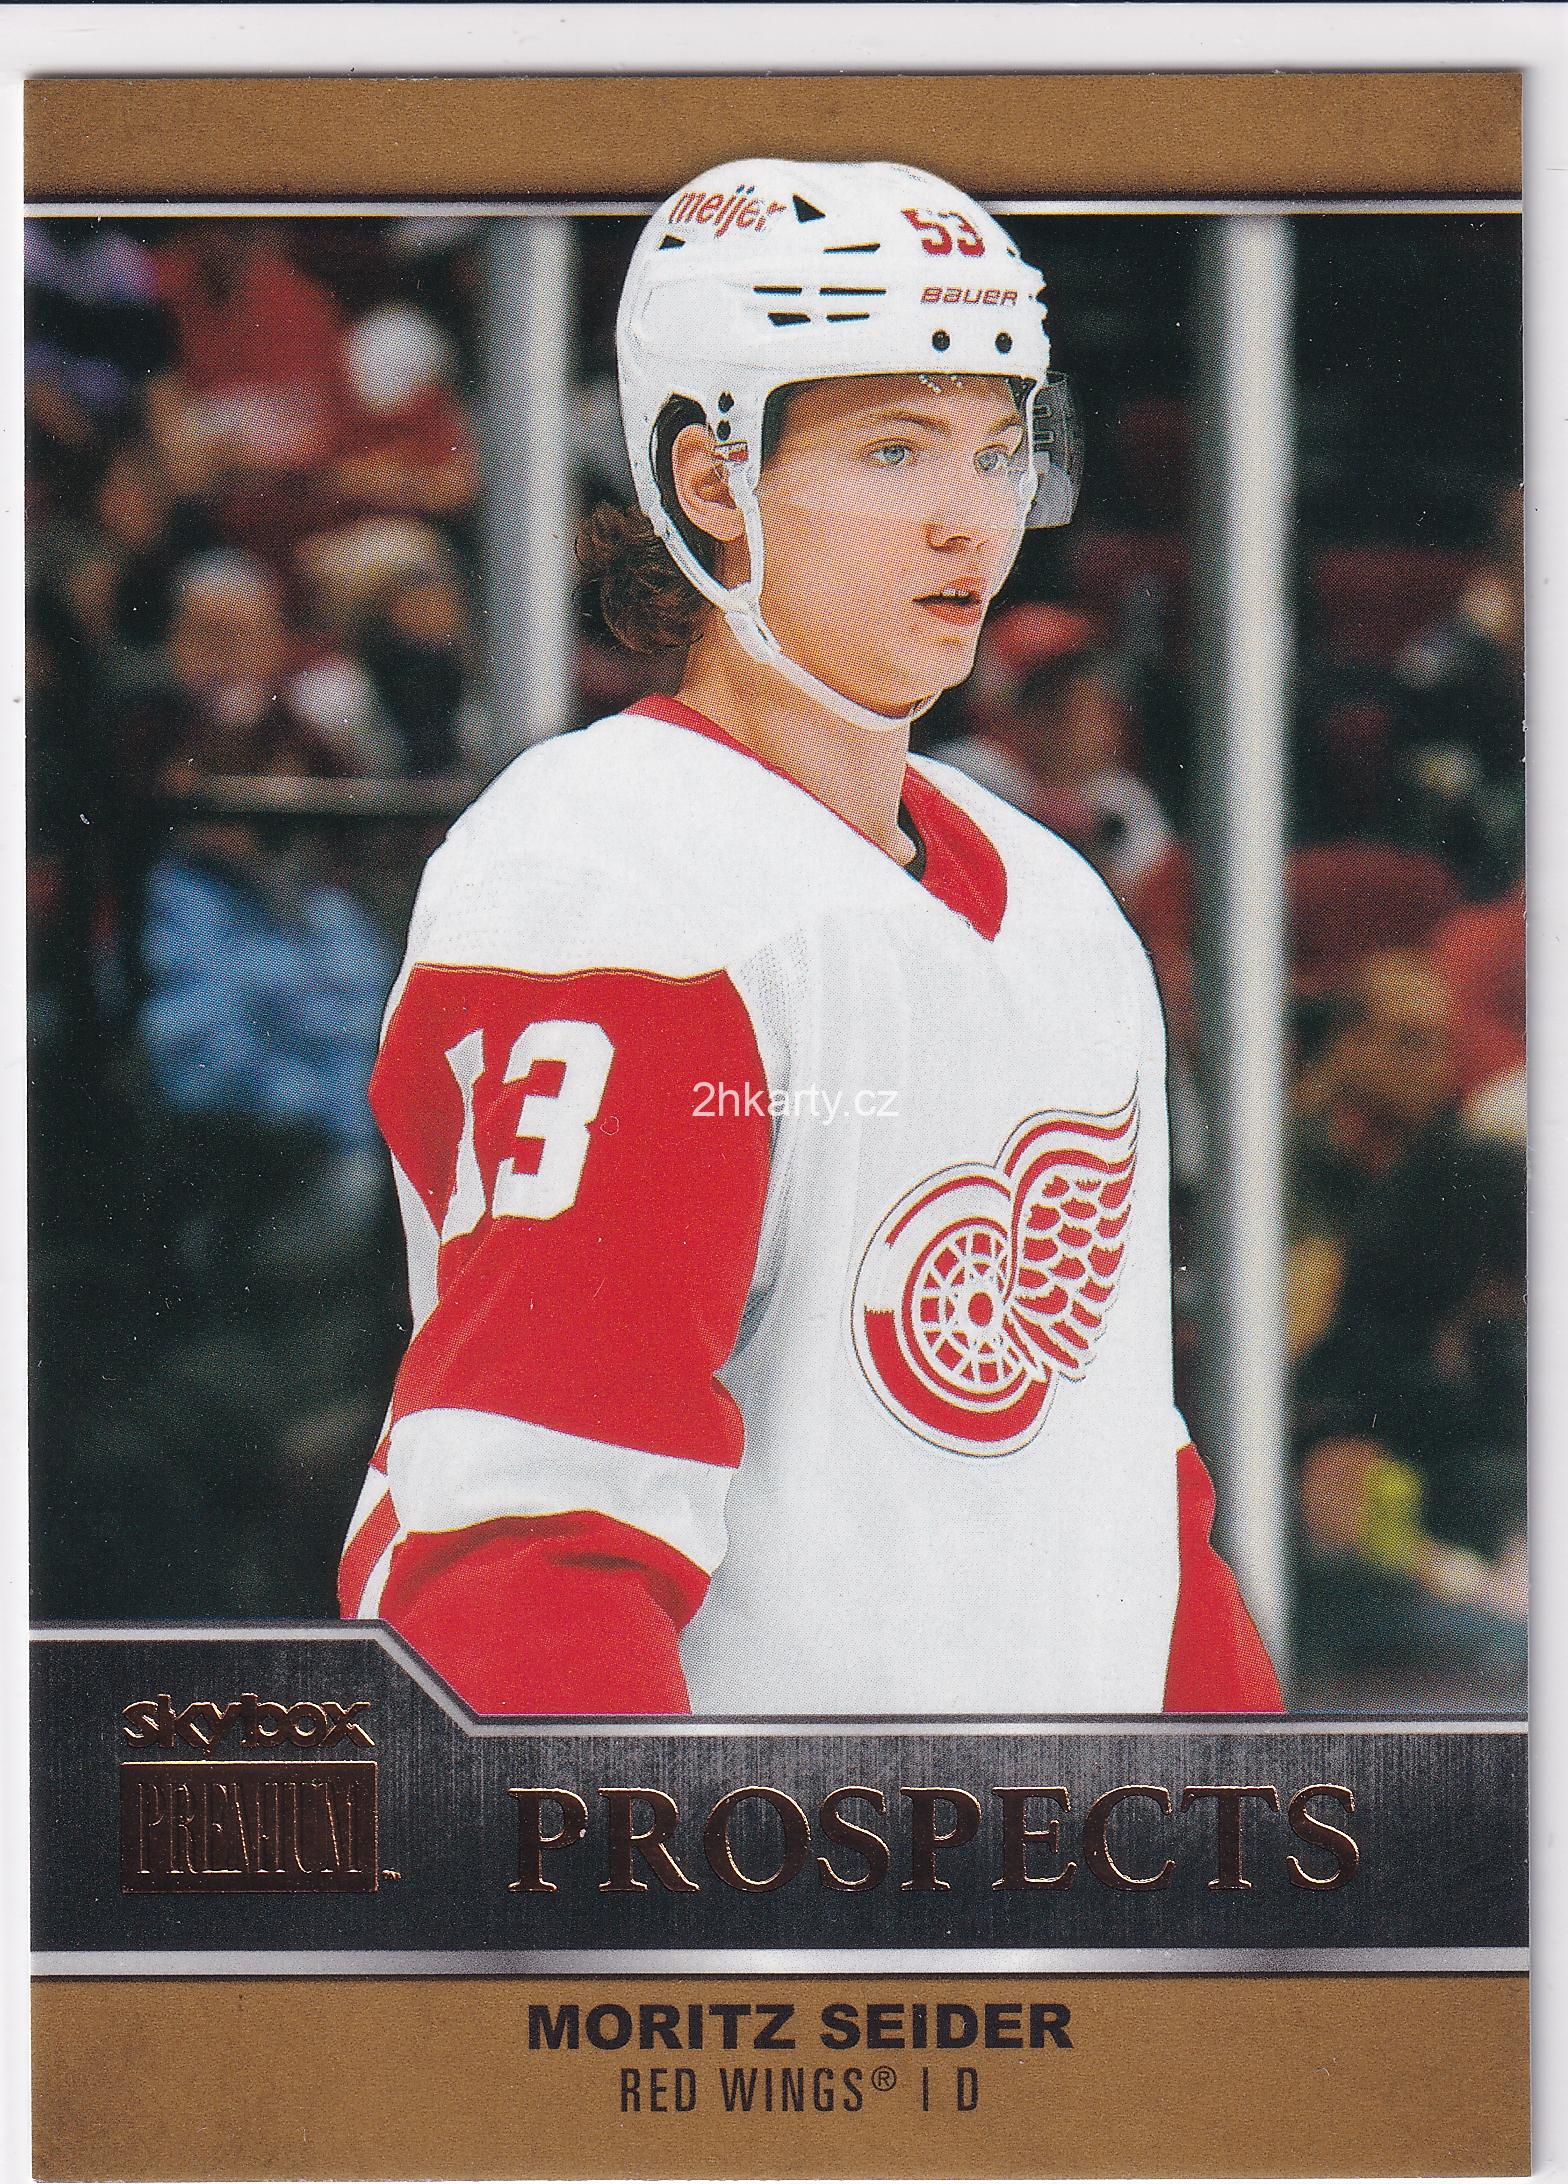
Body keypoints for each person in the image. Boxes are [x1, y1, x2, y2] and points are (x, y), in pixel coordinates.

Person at [338, 159, 1280, 1717]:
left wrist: (1268, 1837)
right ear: (714, 482)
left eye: (997, 452)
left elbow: (1126, 1490)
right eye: (895, 449)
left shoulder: (1059, 905)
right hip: (763, 1860)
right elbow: (531, 1543)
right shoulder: (606, 879)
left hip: (1069, 1853)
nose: (967, 519)